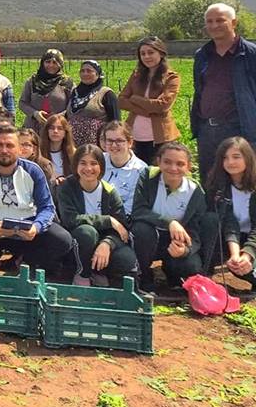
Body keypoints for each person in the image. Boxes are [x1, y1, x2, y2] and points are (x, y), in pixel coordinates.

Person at [0, 124, 73, 276]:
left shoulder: (33, 170)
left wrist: (36, 227)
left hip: (26, 226)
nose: (4, 150)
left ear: (19, 148)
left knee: (63, 240)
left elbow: (47, 207)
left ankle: (26, 261)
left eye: (10, 145)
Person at [192, 3, 256, 183]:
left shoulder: (251, 54)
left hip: (238, 128)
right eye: (209, 21)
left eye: (220, 20)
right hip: (207, 130)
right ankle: (213, 211)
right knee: (209, 178)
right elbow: (200, 89)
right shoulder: (202, 55)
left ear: (234, 22)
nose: (214, 25)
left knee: (241, 179)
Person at [57, 145, 138, 287]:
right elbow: (70, 219)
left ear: (101, 166)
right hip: (77, 244)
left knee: (126, 258)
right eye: (83, 163)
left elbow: (121, 228)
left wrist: (107, 243)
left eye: (94, 163)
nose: (88, 168)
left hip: (102, 242)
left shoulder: (109, 192)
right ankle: (82, 274)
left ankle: (102, 275)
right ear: (75, 165)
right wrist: (107, 220)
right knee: (87, 232)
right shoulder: (67, 187)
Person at [131, 142, 206, 292]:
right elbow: (138, 211)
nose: (173, 168)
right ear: (159, 162)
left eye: (180, 164)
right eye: (167, 162)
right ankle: (144, 276)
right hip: (149, 238)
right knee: (141, 229)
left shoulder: (195, 191)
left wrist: (185, 250)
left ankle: (172, 275)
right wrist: (169, 222)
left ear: (188, 166)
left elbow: (195, 230)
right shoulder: (148, 177)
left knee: (191, 267)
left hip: (176, 241)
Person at [118, 36, 181, 165]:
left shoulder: (171, 77)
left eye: (151, 52)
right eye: (143, 53)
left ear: (161, 53)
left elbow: (162, 106)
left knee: (157, 176)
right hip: (134, 137)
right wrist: (148, 110)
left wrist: (135, 98)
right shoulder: (136, 76)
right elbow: (121, 100)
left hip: (159, 138)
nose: (147, 56)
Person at [207, 137, 256, 284]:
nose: (230, 162)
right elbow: (228, 223)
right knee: (210, 219)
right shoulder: (217, 186)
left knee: (248, 271)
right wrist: (236, 256)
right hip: (231, 240)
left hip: (252, 241)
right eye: (225, 158)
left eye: (236, 157)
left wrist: (247, 254)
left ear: (247, 158)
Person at [19, 49, 73, 134]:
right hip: (33, 128)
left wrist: (58, 117)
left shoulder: (67, 83)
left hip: (57, 128)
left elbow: (72, 105)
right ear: (42, 63)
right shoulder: (33, 81)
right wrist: (35, 114)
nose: (51, 65)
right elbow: (22, 103)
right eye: (48, 62)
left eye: (55, 62)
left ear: (60, 64)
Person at [101, 121, 148, 218]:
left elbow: (132, 205)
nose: (114, 145)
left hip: (123, 220)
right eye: (109, 141)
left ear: (130, 142)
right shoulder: (98, 160)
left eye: (119, 141)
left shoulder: (141, 169)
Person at [67, 60, 119, 147]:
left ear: (98, 74)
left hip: (97, 145)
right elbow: (67, 114)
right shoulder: (75, 92)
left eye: (89, 71)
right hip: (72, 145)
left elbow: (115, 121)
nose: (85, 74)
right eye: (82, 71)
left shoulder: (106, 93)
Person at [39, 114, 76, 181]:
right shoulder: (39, 152)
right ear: (47, 131)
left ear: (65, 133)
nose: (55, 131)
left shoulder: (73, 153)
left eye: (60, 128)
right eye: (52, 128)